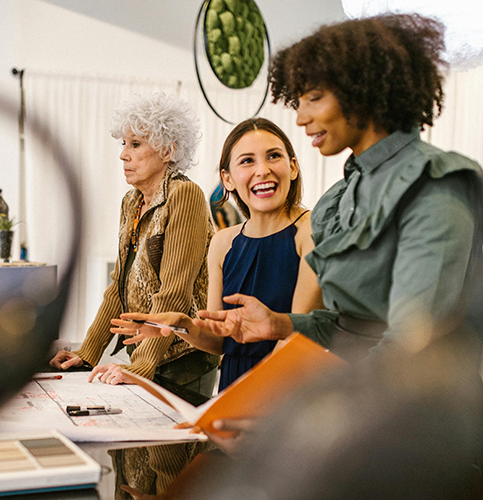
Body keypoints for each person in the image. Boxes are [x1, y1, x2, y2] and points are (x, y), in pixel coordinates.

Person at [189, 13, 483, 362]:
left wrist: (329, 393)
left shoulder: (435, 185)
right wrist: (280, 324)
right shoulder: (343, 196)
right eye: (299, 101)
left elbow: (410, 346)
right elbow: (351, 327)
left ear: (363, 92)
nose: (301, 118)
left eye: (314, 98)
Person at [114, 118, 321, 391]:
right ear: (228, 179)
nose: (263, 170)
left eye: (274, 156)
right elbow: (218, 340)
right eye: (247, 161)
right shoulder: (224, 242)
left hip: (289, 390)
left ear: (292, 167)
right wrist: (182, 325)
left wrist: (242, 403)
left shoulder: (312, 231)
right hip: (235, 386)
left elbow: (296, 337)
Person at [49, 93, 221, 397]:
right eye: (124, 144)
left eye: (136, 144)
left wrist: (141, 366)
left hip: (182, 361)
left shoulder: (185, 196)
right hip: (147, 356)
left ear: (168, 150)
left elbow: (174, 293)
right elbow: (119, 287)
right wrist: (87, 353)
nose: (123, 155)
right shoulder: (132, 202)